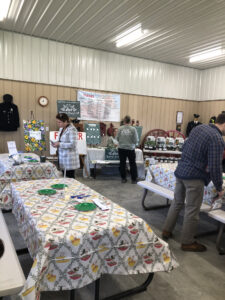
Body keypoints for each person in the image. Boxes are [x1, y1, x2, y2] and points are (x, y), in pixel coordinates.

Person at [162, 113, 225, 252]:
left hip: (181, 171)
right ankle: (187, 242)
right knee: (192, 209)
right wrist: (220, 188)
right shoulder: (217, 139)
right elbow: (215, 166)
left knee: (177, 202)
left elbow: (184, 148)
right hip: (195, 177)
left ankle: (166, 230)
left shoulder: (199, 128)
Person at [52, 113, 80, 178]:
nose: (58, 124)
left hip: (69, 158)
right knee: (64, 176)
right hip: (63, 157)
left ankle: (72, 188)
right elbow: (62, 140)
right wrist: (57, 143)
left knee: (70, 177)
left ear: (66, 121)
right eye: (57, 122)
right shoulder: (61, 129)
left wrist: (59, 144)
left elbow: (73, 144)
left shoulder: (72, 130)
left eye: (60, 122)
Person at [116, 115, 138, 184]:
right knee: (132, 164)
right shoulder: (133, 129)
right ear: (130, 121)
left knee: (122, 163)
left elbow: (117, 138)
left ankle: (123, 179)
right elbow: (135, 140)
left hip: (121, 148)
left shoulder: (120, 129)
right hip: (130, 149)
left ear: (124, 121)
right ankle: (134, 179)